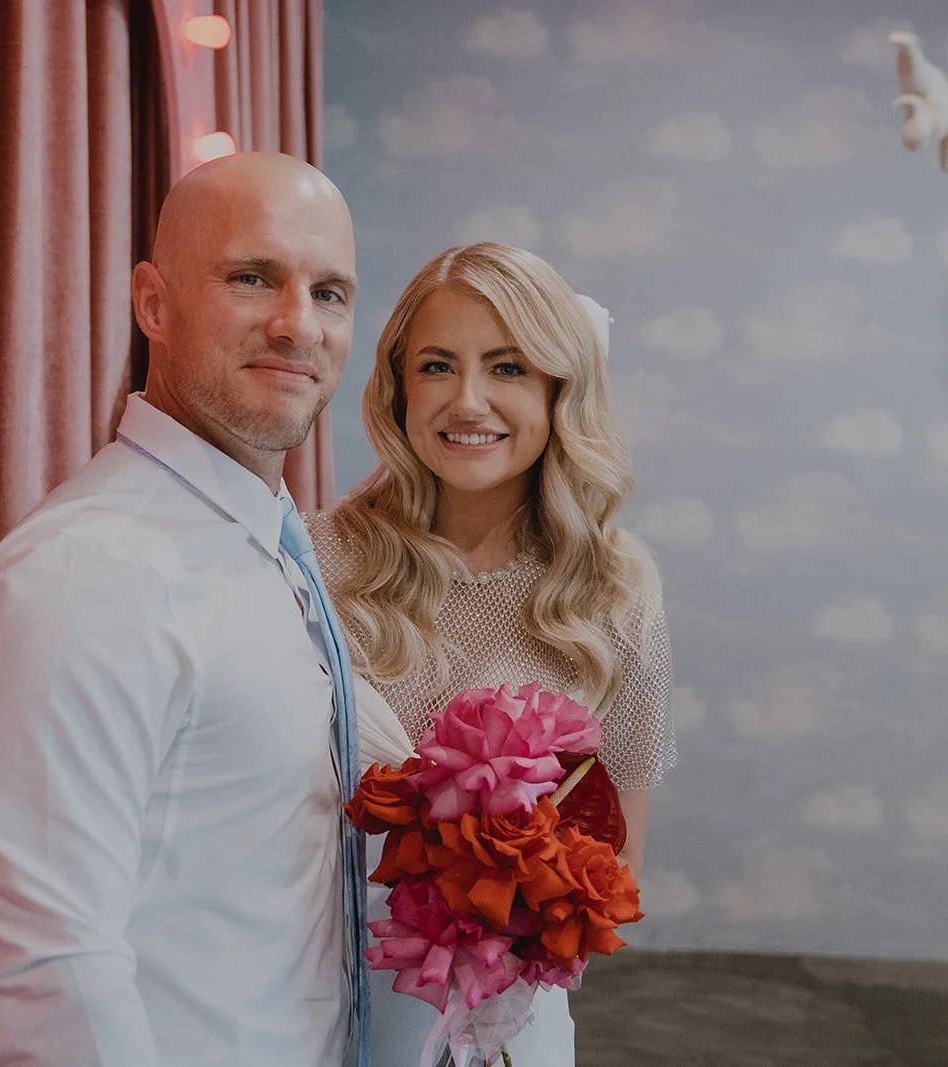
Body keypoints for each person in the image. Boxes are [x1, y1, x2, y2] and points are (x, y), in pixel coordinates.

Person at [0, 151, 372, 1066]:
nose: (299, 324)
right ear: (153, 304)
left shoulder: (271, 543)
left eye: (330, 293)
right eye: (253, 278)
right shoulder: (85, 576)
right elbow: (47, 987)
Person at [308, 242, 678, 1063]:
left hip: (508, 1020)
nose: (467, 400)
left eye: (507, 367)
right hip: (313, 1000)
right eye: (438, 365)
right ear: (401, 387)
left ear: (559, 390)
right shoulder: (318, 562)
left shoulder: (618, 589)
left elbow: (616, 869)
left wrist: (507, 928)